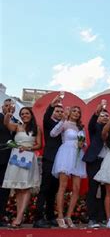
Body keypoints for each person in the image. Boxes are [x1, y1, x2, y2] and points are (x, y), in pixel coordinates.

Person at [2, 107, 42, 228]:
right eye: (22, 114)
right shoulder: (17, 126)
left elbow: (39, 144)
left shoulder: (36, 128)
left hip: (28, 158)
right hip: (15, 158)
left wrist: (28, 148)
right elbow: (6, 123)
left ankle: (19, 217)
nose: (25, 115)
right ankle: (20, 216)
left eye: (27, 113)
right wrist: (8, 114)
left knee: (25, 187)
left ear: (31, 115)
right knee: (19, 188)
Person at [51, 106, 87, 228]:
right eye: (74, 111)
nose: (76, 113)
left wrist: (83, 144)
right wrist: (62, 120)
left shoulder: (81, 127)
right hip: (66, 154)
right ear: (70, 113)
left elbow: (85, 143)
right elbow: (53, 134)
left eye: (78, 112)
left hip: (78, 156)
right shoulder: (65, 123)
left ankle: (69, 216)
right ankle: (60, 216)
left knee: (76, 188)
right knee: (63, 186)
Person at [34, 95, 63, 228]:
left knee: (53, 190)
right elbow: (47, 114)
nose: (59, 113)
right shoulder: (48, 122)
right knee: (45, 188)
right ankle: (38, 219)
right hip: (49, 158)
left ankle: (50, 216)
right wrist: (52, 104)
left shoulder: (64, 125)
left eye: (61, 111)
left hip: (61, 161)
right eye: (57, 111)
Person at [82, 104, 109, 228]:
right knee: (93, 189)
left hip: (107, 163)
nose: (104, 117)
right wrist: (96, 113)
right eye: (102, 115)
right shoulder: (95, 127)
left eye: (107, 116)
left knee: (105, 191)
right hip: (94, 161)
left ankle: (102, 217)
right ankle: (92, 218)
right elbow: (91, 123)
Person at [0, 99, 18, 227]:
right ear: (2, 108)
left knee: (4, 189)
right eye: (6, 106)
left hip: (11, 160)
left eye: (11, 106)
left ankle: (1, 216)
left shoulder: (17, 122)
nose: (8, 108)